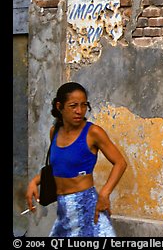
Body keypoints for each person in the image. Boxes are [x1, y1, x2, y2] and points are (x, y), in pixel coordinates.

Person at [25, 82, 127, 237]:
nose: (80, 111)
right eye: (73, 106)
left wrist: (105, 193)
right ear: (60, 107)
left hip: (88, 208)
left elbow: (120, 162)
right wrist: (35, 181)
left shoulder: (93, 132)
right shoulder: (55, 132)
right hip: (64, 212)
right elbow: (59, 167)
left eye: (84, 105)